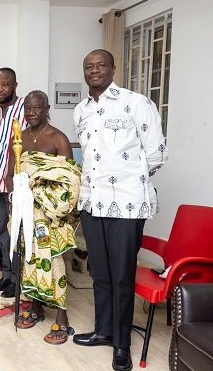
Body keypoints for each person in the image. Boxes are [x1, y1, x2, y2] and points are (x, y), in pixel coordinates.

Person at [72, 50, 168, 371]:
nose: (95, 70)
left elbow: (155, 154)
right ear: (84, 73)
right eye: (89, 66)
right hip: (91, 202)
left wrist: (129, 181)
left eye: (101, 65)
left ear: (114, 68)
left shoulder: (137, 103)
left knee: (122, 276)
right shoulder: (81, 110)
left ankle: (122, 344)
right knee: (100, 274)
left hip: (127, 205)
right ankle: (103, 330)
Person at [4, 90, 82, 344]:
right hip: (26, 211)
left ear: (47, 108)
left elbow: (69, 183)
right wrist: (14, 201)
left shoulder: (58, 138)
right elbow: (9, 176)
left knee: (54, 262)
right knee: (29, 260)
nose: (31, 113)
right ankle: (36, 307)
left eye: (36, 108)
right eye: (27, 109)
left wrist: (39, 191)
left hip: (51, 215)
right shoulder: (19, 138)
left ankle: (62, 318)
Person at [0, 67, 28, 297]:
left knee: (17, 232)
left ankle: (19, 280)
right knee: (1, 232)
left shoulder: (25, 108)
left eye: (5, 85)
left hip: (15, 183)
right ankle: (7, 277)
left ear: (14, 86)